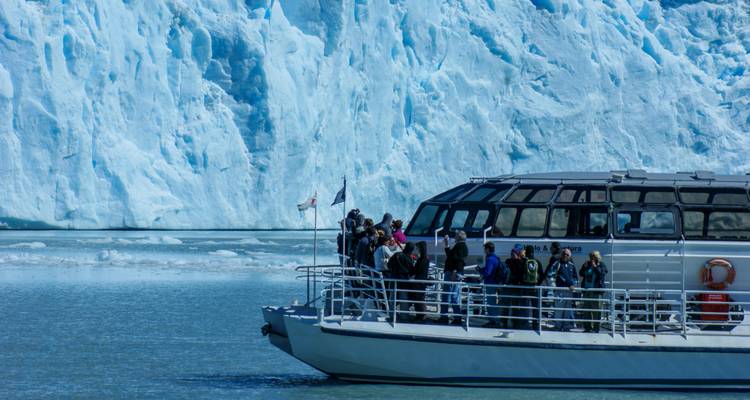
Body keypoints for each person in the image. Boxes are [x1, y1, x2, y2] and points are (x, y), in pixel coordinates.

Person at [440, 230, 468, 324]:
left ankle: (446, 317)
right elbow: (451, 256)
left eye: (455, 235)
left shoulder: (460, 247)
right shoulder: (461, 246)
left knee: (449, 295)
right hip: (454, 273)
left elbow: (458, 261)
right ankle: (456, 317)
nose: (454, 237)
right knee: (453, 295)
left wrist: (454, 272)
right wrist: (447, 244)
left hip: (453, 273)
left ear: (458, 237)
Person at [476, 242, 506, 327]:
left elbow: (487, 272)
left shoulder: (490, 259)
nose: (484, 251)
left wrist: (479, 270)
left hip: (491, 283)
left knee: (491, 303)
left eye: (485, 249)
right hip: (495, 283)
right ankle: (494, 320)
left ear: (488, 249)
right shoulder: (496, 258)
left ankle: (494, 321)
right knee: (492, 302)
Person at [579, 250, 609, 332]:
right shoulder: (587, 264)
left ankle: (596, 328)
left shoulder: (601, 265)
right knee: (587, 310)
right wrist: (584, 267)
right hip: (587, 290)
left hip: (596, 291)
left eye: (593, 257)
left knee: (596, 311)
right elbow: (581, 273)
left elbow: (601, 274)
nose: (591, 259)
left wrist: (595, 267)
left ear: (597, 257)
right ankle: (587, 327)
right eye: (590, 257)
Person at [551, 248, 578, 331]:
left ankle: (566, 326)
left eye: (567, 254)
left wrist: (573, 285)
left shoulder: (571, 265)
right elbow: (550, 275)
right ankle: (558, 326)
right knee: (558, 310)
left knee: (567, 310)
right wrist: (553, 286)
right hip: (559, 291)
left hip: (569, 292)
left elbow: (575, 277)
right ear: (561, 254)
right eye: (564, 254)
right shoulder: (557, 264)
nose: (565, 256)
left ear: (570, 256)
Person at [386, 241, 415, 321]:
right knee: (404, 299)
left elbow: (389, 265)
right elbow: (411, 271)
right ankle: (404, 316)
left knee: (392, 298)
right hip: (404, 281)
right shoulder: (409, 258)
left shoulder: (397, 254)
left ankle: (392, 315)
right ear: (411, 250)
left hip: (393, 278)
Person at [522, 245, 543, 330]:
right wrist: (538, 283)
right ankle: (536, 324)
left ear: (526, 252)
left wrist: (523, 282)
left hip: (526, 286)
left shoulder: (524, 262)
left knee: (525, 306)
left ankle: (525, 323)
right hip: (535, 287)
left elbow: (521, 273)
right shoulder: (537, 261)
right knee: (536, 307)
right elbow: (542, 274)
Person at [504, 244, 525, 329]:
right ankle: (504, 322)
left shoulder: (521, 262)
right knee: (506, 306)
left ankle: (515, 323)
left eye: (514, 253)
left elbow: (521, 275)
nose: (512, 254)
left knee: (515, 307)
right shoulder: (508, 261)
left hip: (516, 287)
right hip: (509, 286)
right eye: (512, 252)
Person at [410, 241, 430, 322]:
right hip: (421, 280)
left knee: (419, 299)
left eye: (418, 248)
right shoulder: (424, 258)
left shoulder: (422, 259)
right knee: (419, 298)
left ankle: (421, 315)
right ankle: (420, 315)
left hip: (420, 280)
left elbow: (417, 270)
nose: (417, 249)